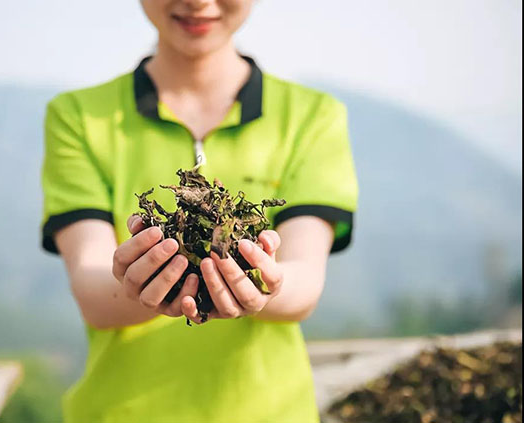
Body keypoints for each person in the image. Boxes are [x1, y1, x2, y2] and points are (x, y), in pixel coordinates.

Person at [40, 1, 358, 422]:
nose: (197, 2)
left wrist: (265, 284)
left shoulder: (312, 117)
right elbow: (93, 288)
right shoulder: (80, 118)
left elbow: (303, 280)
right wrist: (145, 280)